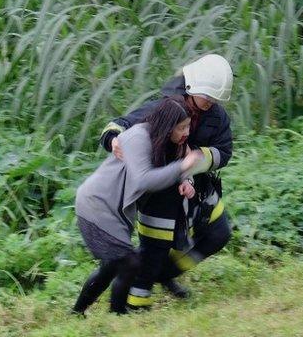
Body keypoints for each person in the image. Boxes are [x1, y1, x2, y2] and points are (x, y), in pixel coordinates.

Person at [99, 54, 234, 309]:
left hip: (198, 190)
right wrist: (113, 140)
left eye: (215, 98)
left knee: (219, 234)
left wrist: (196, 160)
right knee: (153, 251)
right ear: (192, 89)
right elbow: (119, 125)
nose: (211, 102)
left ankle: (165, 274)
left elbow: (224, 152)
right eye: (207, 97)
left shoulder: (218, 117)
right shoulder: (165, 110)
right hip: (161, 193)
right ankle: (134, 299)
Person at [72, 97, 202, 315]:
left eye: (188, 126)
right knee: (128, 263)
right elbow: (144, 179)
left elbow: (167, 171)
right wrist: (181, 167)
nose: (186, 132)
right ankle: (118, 314)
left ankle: (78, 313)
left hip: (112, 211)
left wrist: (186, 181)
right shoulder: (138, 136)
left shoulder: (166, 140)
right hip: (96, 204)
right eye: (182, 127)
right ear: (168, 125)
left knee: (114, 265)